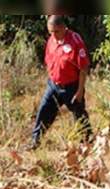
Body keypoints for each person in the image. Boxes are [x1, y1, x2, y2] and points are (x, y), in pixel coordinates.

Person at [30, 15, 92, 149]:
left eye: (56, 32)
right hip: (53, 85)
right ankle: (35, 142)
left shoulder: (75, 40)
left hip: (72, 86)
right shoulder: (51, 40)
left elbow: (83, 67)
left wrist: (80, 90)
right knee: (44, 111)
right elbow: (48, 60)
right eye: (51, 32)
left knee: (79, 114)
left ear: (64, 27)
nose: (54, 35)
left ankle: (87, 142)